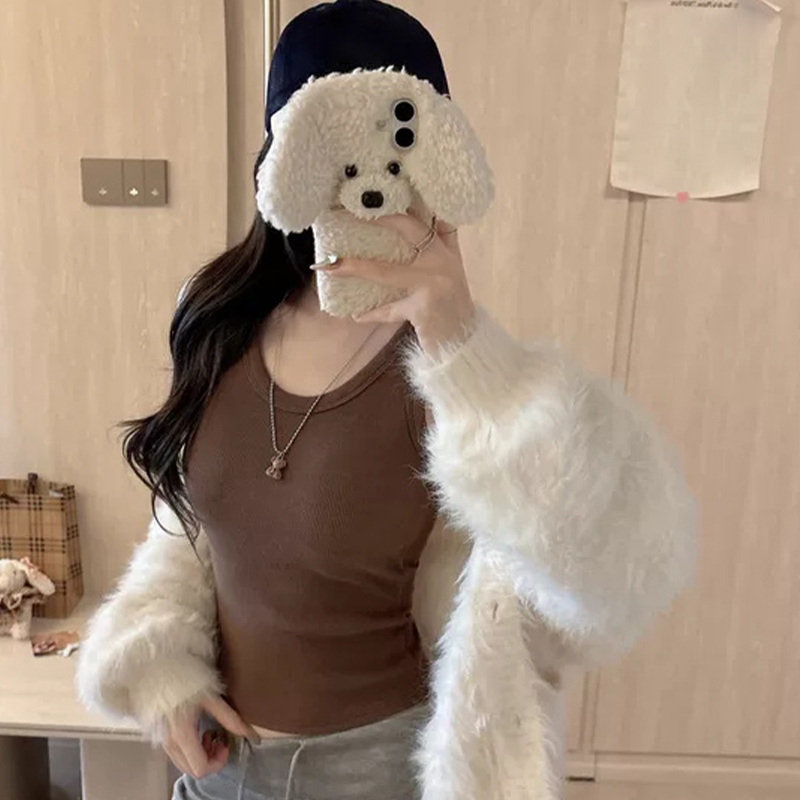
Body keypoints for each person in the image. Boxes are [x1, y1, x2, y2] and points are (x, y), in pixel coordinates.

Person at [76, 2, 697, 799]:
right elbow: (196, 524)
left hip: (380, 772)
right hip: (219, 771)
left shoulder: (463, 375)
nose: (365, 183)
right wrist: (162, 670)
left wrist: (463, 343)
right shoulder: (220, 320)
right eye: (332, 145)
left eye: (395, 143)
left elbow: (607, 572)